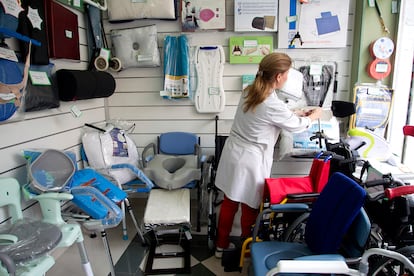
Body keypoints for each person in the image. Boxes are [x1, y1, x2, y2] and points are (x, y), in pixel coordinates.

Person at [214, 52, 323, 258]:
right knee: (250, 206)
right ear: (279, 77)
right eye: (287, 74)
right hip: (250, 159)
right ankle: (248, 251)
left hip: (234, 153)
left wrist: (295, 113)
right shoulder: (270, 103)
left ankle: (221, 246)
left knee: (229, 201)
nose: (288, 78)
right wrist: (313, 117)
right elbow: (294, 126)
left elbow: (270, 114)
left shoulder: (250, 91)